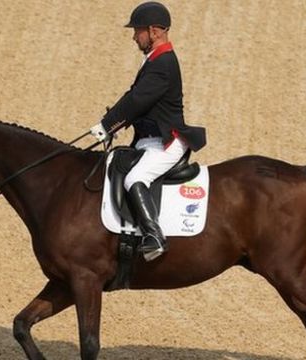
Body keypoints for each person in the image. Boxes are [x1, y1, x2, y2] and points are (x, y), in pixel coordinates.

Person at [90, 1, 206, 261]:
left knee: (135, 178)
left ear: (154, 31)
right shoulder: (154, 59)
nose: (134, 36)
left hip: (167, 142)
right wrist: (111, 124)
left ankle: (154, 235)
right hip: (148, 141)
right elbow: (134, 97)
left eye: (137, 31)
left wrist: (107, 125)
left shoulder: (163, 63)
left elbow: (137, 100)